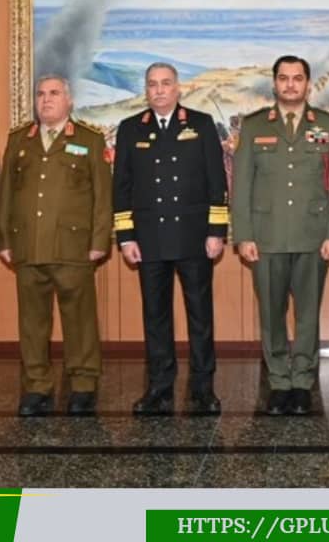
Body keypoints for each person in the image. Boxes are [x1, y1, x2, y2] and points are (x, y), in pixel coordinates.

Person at [231, 55, 329, 415]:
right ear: (274, 83)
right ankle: (278, 381)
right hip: (266, 238)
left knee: (307, 315)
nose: (290, 84)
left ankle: (302, 381)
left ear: (307, 84)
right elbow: (241, 185)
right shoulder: (253, 126)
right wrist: (243, 235)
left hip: (313, 237)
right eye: (283, 78)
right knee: (271, 314)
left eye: (297, 78)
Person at [112, 62, 228, 416]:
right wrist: (126, 236)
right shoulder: (131, 128)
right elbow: (122, 187)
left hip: (194, 236)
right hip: (149, 239)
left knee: (200, 315)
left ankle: (203, 387)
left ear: (178, 88)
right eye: (152, 84)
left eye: (165, 83)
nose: (159, 90)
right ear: (146, 90)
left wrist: (217, 231)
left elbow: (217, 181)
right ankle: (159, 387)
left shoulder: (200, 124)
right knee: (155, 316)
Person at [0, 74, 112, 417]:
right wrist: (3, 239)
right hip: (28, 245)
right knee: (32, 322)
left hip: (73, 246)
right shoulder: (20, 140)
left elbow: (102, 196)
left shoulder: (90, 140)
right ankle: (36, 386)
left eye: (54, 93)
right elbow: (6, 194)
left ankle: (83, 385)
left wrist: (99, 240)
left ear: (69, 100)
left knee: (79, 320)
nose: (46, 99)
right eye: (41, 94)